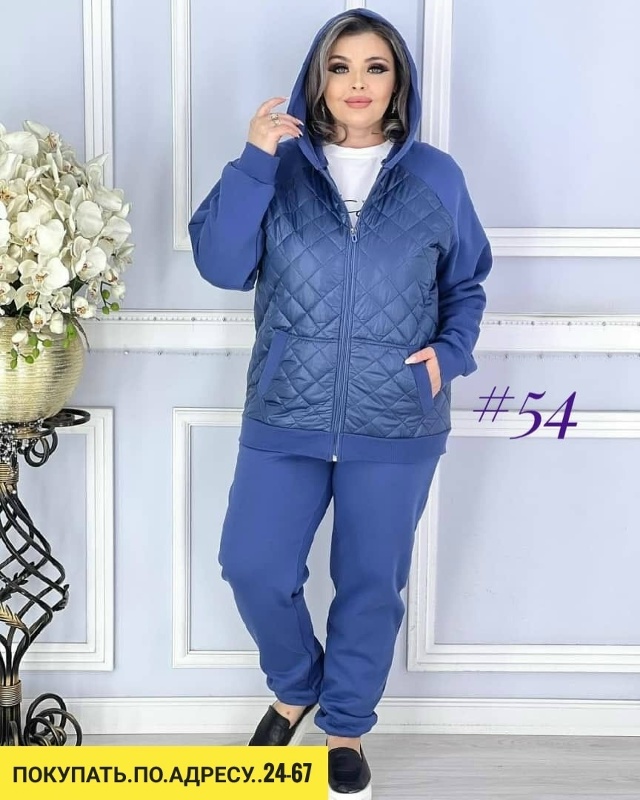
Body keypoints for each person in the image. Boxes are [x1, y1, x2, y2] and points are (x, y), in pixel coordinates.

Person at [188, 7, 492, 799]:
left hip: (397, 418)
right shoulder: (279, 167)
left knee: (368, 584)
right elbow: (221, 266)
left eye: (375, 67)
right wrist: (254, 160)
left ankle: (345, 728)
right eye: (341, 66)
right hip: (285, 411)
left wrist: (449, 356)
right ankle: (297, 685)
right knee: (251, 565)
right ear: (316, 79)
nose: (358, 83)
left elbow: (465, 284)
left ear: (398, 82)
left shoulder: (438, 178)